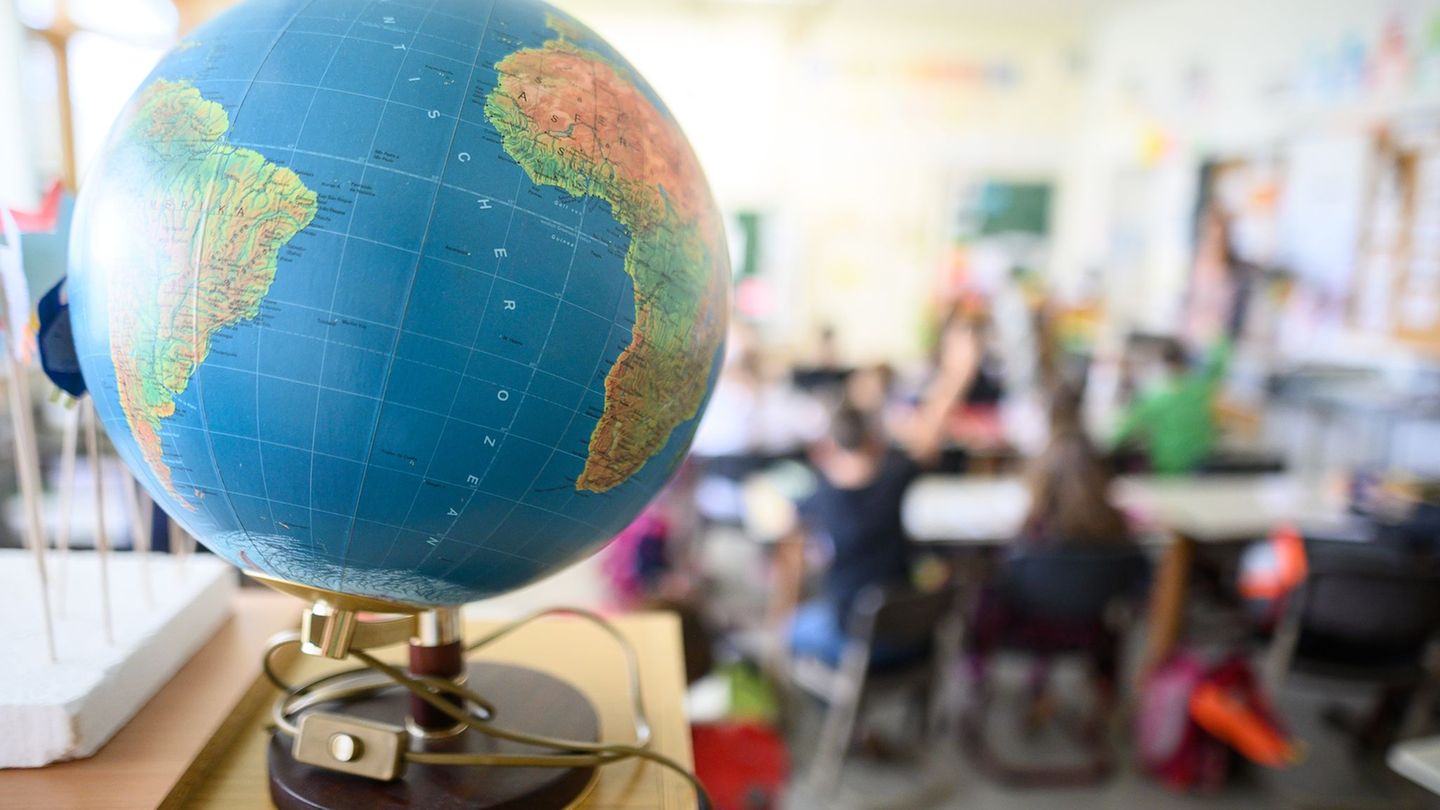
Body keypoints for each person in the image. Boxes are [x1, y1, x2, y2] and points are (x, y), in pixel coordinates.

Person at [779, 320, 980, 665]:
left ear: (829, 447)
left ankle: (809, 692)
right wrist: (958, 372)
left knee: (791, 629)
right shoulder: (896, 478)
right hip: (910, 636)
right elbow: (930, 430)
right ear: (875, 440)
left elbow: (787, 545)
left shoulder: (818, 499)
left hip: (853, 642)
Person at [1110, 336, 1230, 475]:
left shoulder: (1155, 398)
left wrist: (1108, 442)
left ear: (1164, 363)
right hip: (1201, 464)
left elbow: (1124, 432)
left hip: (1171, 467)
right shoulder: (1201, 389)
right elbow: (1220, 361)